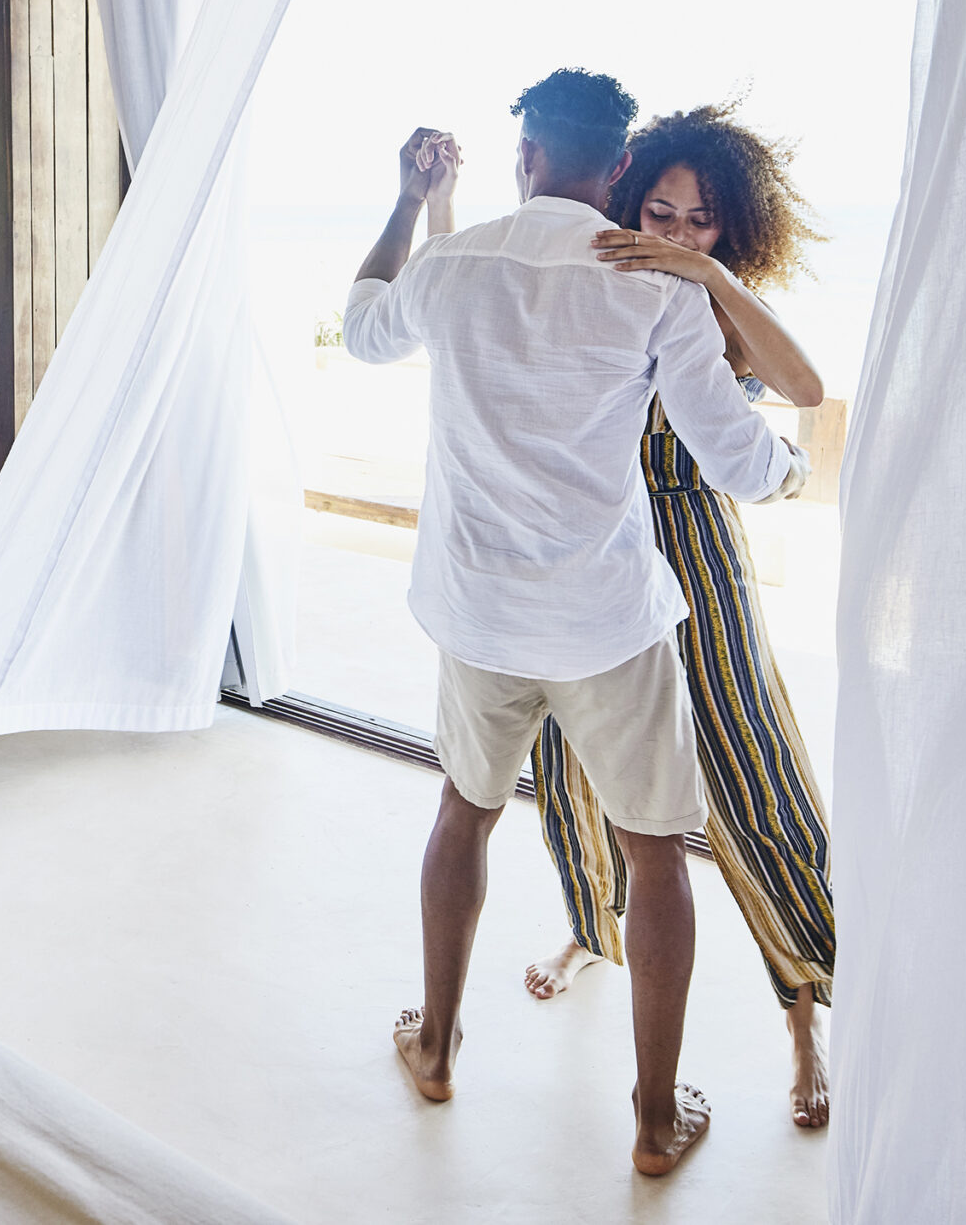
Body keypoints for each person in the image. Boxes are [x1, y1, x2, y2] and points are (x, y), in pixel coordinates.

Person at [342, 69, 807, 1178]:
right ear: (615, 172)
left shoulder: (452, 262)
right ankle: (652, 1123)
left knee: (464, 813)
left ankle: (440, 1047)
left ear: (524, 158)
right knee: (656, 857)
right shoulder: (653, 288)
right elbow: (733, 453)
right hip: (603, 621)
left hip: (478, 614)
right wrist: (790, 474)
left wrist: (408, 203)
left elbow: (361, 327)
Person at [518, 102, 840, 1132]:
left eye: (701, 220)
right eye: (659, 209)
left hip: (696, 542)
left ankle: (804, 994)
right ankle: (589, 925)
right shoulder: (598, 274)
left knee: (750, 756)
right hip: (591, 544)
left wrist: (708, 279)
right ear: (622, 195)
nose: (676, 231)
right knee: (572, 756)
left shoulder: (718, 295)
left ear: (730, 226)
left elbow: (802, 388)